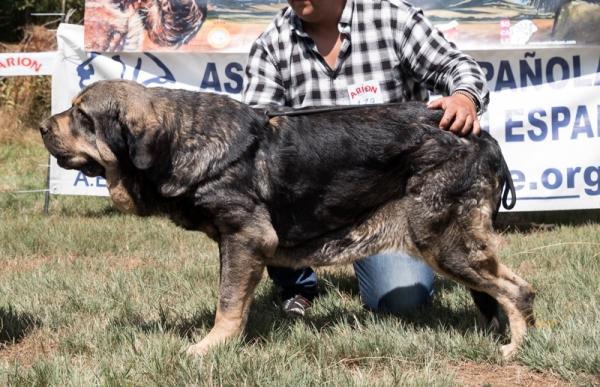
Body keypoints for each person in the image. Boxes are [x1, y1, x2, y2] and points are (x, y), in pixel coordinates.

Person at [241, 0, 490, 317]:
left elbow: (459, 67)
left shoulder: (393, 18)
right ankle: (296, 285)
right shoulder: (271, 44)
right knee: (258, 188)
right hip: (313, 197)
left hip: (391, 201)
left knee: (402, 304)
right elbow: (256, 133)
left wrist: (464, 97)